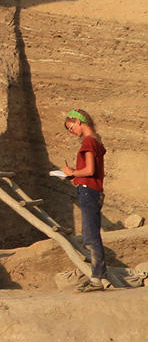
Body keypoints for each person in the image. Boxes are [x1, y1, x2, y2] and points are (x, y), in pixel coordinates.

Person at [60, 109, 109, 292]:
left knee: (90, 236)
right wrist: (74, 174)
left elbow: (89, 170)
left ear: (80, 122)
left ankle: (97, 278)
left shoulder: (88, 142)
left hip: (89, 191)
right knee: (91, 234)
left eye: (70, 127)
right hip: (93, 190)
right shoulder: (96, 140)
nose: (71, 131)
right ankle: (99, 276)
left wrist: (72, 173)